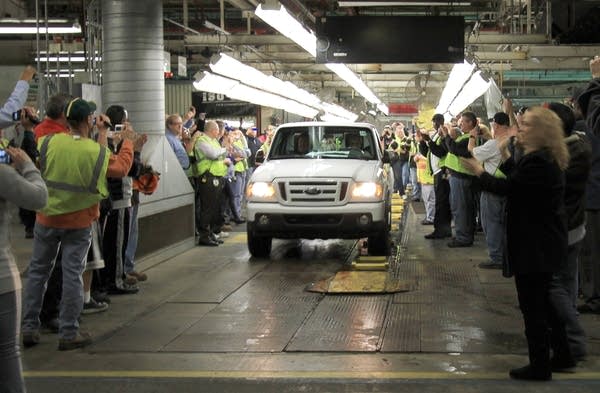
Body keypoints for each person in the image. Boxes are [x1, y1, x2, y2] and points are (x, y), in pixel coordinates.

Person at [462, 106, 573, 381]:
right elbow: (520, 180)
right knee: (545, 303)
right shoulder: (542, 158)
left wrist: (478, 171)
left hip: (534, 245)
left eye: (524, 127)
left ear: (539, 132)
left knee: (533, 306)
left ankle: (540, 365)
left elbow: (510, 189)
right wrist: (507, 156)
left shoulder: (539, 161)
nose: (519, 130)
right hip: (543, 242)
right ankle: (562, 354)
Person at [21, 98, 135, 351]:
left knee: (38, 272)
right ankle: (68, 332)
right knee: (73, 273)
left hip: (47, 217)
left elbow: (38, 163)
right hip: (79, 221)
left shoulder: (49, 141)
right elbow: (120, 168)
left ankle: (29, 327)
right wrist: (127, 142)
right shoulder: (95, 151)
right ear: (88, 121)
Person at [1, 145, 48, 393]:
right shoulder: (2, 174)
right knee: (7, 354)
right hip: (2, 282)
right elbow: (39, 198)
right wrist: (28, 167)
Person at [468, 112, 511, 269]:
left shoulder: (493, 144)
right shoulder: (508, 140)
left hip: (492, 188)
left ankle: (496, 257)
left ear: (496, 125)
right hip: (507, 187)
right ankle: (503, 254)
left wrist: (472, 137)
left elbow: (472, 152)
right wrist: (487, 135)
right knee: (502, 223)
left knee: (491, 223)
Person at [575, 55, 600, 314]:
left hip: (593, 195)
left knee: (591, 251)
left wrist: (596, 80)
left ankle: (593, 295)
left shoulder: (585, 129)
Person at [193, 120, 231, 246]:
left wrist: (222, 151)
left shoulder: (213, 141)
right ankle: (204, 236)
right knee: (207, 208)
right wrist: (223, 149)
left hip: (217, 177)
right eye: (217, 130)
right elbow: (214, 154)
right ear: (211, 130)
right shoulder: (202, 141)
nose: (219, 132)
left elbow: (221, 155)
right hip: (207, 178)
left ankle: (210, 234)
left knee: (214, 209)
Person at [420, 114, 452, 239]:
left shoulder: (443, 135)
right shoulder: (436, 135)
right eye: (434, 122)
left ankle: (442, 230)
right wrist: (423, 142)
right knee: (440, 202)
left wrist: (429, 141)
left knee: (442, 203)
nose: (434, 124)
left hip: (442, 171)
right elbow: (428, 153)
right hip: (436, 172)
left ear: (441, 122)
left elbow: (440, 152)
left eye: (436, 122)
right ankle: (442, 229)